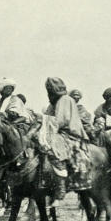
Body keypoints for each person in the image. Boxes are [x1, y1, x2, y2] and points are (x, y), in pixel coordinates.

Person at [41, 77, 91, 207]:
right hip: (57, 131)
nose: (49, 92)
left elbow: (61, 120)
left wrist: (48, 127)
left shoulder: (65, 100)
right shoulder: (53, 102)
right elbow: (48, 117)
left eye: (51, 89)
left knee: (53, 149)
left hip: (70, 134)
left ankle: (61, 189)